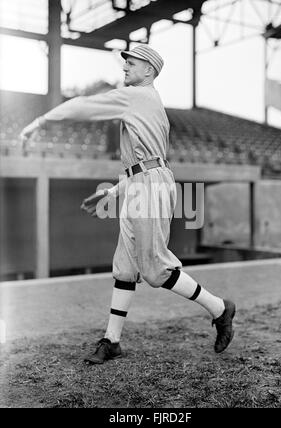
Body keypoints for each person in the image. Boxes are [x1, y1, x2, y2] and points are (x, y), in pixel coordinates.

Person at [20, 44, 236, 365]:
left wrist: (41, 121)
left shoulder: (138, 96)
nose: (126, 67)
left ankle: (220, 308)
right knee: (124, 266)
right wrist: (111, 193)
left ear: (148, 70)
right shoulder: (148, 102)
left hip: (150, 185)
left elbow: (84, 106)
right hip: (139, 182)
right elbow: (144, 163)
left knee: (156, 270)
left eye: (132, 63)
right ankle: (112, 340)